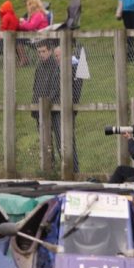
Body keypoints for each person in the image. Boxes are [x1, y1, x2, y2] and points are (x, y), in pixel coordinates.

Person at [31, 40, 62, 166]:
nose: (41, 54)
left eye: (43, 51)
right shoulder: (39, 67)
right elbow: (35, 87)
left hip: (54, 108)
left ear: (50, 50)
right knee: (45, 141)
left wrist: (48, 102)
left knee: (60, 139)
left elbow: (56, 88)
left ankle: (66, 165)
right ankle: (50, 165)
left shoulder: (56, 65)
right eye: (39, 52)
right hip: (40, 109)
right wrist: (35, 107)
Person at [53, 45, 81, 173]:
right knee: (60, 140)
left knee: (67, 140)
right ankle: (67, 168)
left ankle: (73, 169)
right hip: (59, 108)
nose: (56, 58)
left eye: (58, 56)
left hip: (66, 109)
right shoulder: (60, 68)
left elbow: (74, 91)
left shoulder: (73, 67)